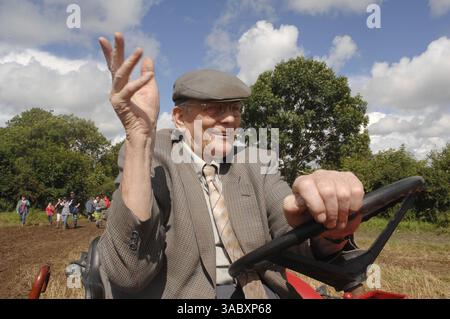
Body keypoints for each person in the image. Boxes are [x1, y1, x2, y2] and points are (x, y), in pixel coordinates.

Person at [97, 33, 365, 299]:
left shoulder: (257, 161)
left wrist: (328, 228)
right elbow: (127, 273)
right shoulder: (150, 154)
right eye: (213, 109)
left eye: (235, 109)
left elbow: (294, 232)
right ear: (179, 117)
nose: (229, 120)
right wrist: (139, 138)